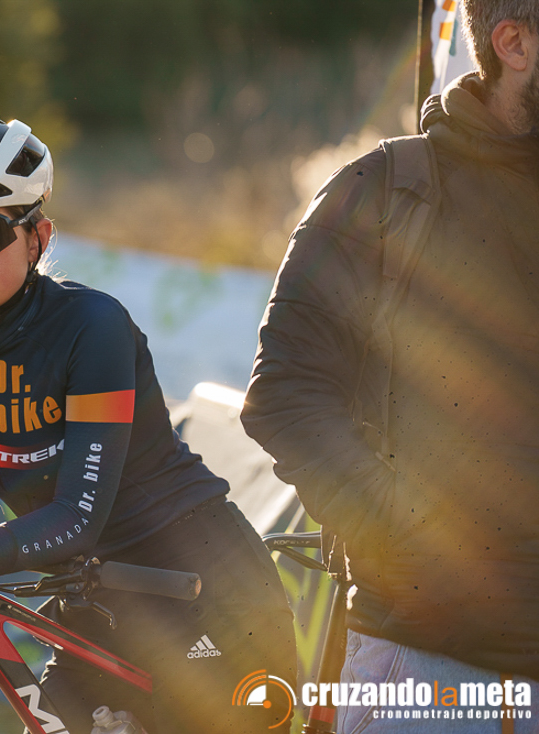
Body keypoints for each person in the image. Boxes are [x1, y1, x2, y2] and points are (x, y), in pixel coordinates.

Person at [0, 110, 296, 733]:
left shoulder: (93, 329)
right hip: (93, 601)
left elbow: (76, 519)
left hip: (205, 596)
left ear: (38, 237)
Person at [241, 2, 539, 731]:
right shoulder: (382, 190)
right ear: (513, 43)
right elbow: (286, 391)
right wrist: (401, 537)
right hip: (428, 674)